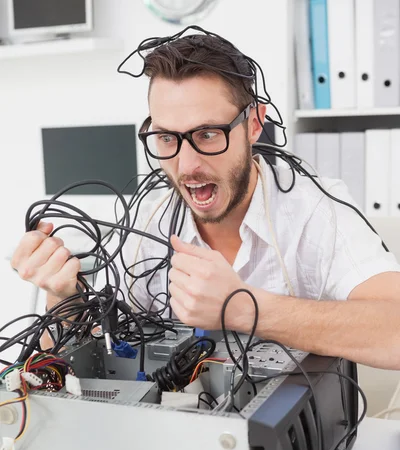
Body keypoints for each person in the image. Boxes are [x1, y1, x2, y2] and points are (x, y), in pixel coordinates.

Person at [10, 32, 400, 369]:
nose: (187, 165)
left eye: (208, 134)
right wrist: (64, 300)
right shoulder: (148, 221)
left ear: (254, 124)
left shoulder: (317, 209)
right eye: (166, 138)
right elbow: (94, 356)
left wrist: (242, 307)